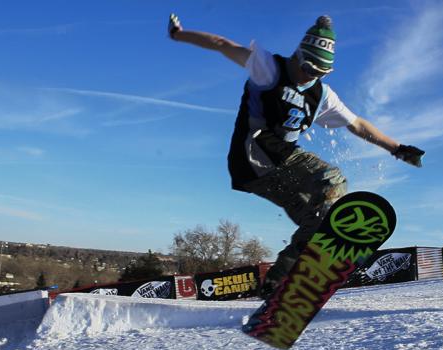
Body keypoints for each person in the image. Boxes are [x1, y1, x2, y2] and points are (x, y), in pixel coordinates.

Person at [167, 14, 424, 298]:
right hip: (255, 156)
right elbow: (221, 43)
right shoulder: (268, 67)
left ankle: (278, 283)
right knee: (333, 180)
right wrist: (179, 34)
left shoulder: (322, 94)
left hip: (264, 176)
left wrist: (396, 148)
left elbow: (357, 124)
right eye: (307, 68)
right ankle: (293, 266)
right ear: (297, 54)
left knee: (318, 221)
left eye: (319, 73)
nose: (309, 76)